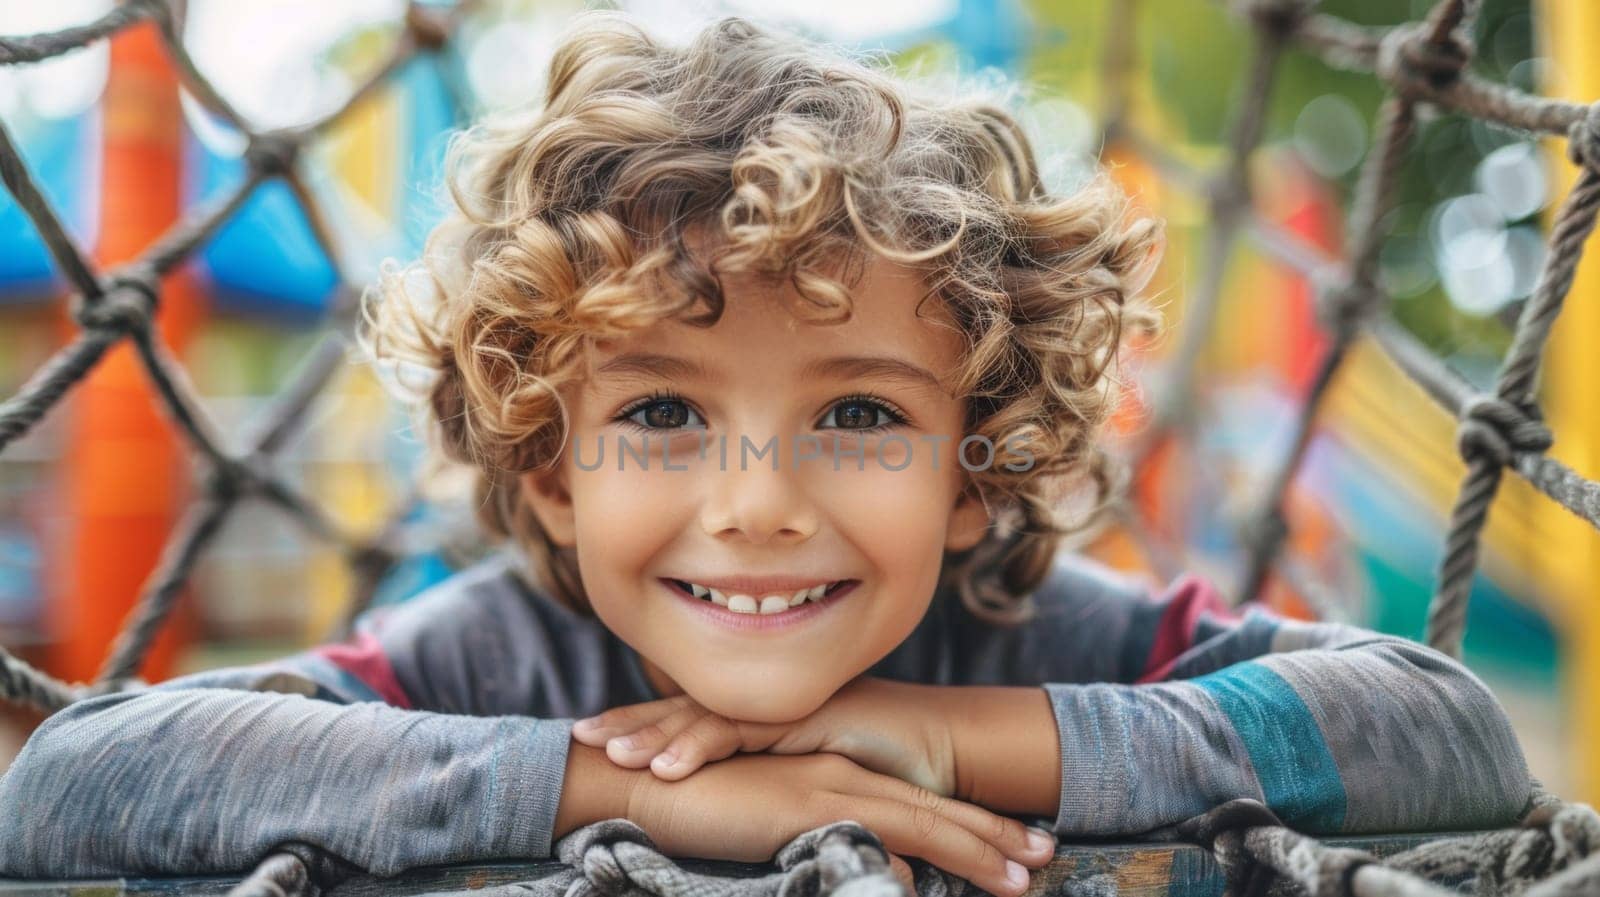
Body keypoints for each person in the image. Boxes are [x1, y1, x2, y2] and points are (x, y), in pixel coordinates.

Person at [0, 13, 1531, 897]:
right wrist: (616, 788)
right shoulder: (496, 659)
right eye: (659, 413)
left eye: (862, 413)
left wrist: (942, 737)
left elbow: (1449, 733)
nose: (755, 507)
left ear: (974, 463)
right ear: (549, 465)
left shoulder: (1049, 640)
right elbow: (74, 778)